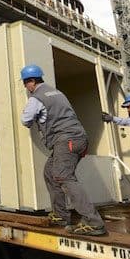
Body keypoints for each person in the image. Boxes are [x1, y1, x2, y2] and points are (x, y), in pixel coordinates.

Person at [20, 64, 106, 236]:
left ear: (30, 82)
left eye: (25, 84)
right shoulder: (56, 92)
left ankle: (93, 222)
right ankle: (60, 215)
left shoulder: (36, 98)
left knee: (63, 176)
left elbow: (26, 120)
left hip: (66, 140)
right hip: (76, 138)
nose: (26, 88)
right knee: (50, 172)